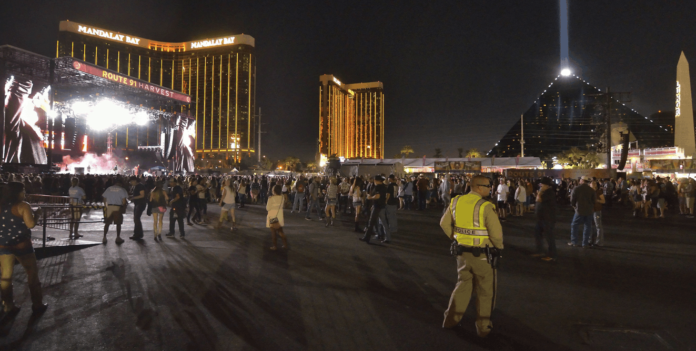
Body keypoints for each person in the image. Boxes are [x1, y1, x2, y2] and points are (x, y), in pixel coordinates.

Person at [440, 175, 503, 337]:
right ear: (479, 187)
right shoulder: (485, 206)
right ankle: (483, 327)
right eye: (489, 186)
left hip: (462, 254)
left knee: (462, 286)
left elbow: (444, 223)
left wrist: (456, 237)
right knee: (485, 291)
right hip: (483, 255)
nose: (490, 188)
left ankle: (450, 320)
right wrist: (499, 248)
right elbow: (496, 235)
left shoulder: (456, 201)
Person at [0, 182, 49, 316]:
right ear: (17, 192)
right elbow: (31, 224)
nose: (25, 194)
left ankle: (8, 306)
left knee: (6, 276)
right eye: (23, 191)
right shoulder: (23, 206)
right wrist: (37, 214)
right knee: (32, 273)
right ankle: (37, 304)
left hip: (3, 244)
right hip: (22, 245)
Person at [359, 175, 388, 244]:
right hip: (382, 206)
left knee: (371, 222)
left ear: (376, 180)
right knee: (383, 223)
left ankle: (367, 237)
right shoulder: (384, 187)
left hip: (377, 206)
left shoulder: (378, 187)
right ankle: (386, 237)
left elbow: (377, 196)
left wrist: (370, 198)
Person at [569, 176, 596, 248]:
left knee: (574, 225)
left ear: (582, 180)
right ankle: (585, 243)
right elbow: (594, 201)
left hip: (579, 210)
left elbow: (572, 200)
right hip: (589, 210)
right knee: (587, 226)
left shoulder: (576, 189)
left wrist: (574, 206)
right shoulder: (591, 190)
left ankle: (574, 241)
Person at [534, 177, 557, 261]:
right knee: (538, 234)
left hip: (547, 218)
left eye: (542, 184)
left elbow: (539, 199)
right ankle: (540, 251)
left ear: (546, 185)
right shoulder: (545, 192)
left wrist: (539, 193)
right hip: (541, 218)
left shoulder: (549, 192)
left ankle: (552, 255)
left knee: (549, 237)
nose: (540, 186)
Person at [102, 178, 128, 245]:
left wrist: (106, 207)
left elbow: (104, 198)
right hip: (117, 207)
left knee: (107, 223)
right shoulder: (122, 190)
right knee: (118, 223)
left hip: (109, 207)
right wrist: (123, 208)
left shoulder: (108, 189)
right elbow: (124, 201)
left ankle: (104, 237)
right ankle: (118, 237)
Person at [266, 185, 287, 251]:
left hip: (272, 216)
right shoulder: (282, 197)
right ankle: (285, 244)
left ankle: (275, 246)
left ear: (274, 191)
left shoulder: (271, 198)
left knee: (273, 233)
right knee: (281, 231)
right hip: (279, 216)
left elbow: (267, 208)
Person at [382, 174, 399, 243]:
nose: (388, 179)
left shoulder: (390, 185)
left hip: (390, 202)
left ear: (390, 179)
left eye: (388, 178)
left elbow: (388, 194)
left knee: (390, 216)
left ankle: (391, 229)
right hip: (395, 201)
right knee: (393, 216)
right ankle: (394, 228)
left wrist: (386, 201)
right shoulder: (396, 185)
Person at [128, 176, 147, 240]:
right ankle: (137, 233)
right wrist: (131, 196)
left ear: (135, 181)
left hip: (140, 204)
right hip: (138, 204)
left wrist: (133, 197)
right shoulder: (137, 186)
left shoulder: (140, 186)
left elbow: (142, 195)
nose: (130, 183)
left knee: (136, 218)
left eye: (131, 181)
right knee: (136, 218)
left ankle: (138, 234)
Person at [589, 180, 605, 247]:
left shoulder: (598, 192)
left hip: (596, 210)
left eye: (594, 184)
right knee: (590, 226)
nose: (593, 185)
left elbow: (603, 201)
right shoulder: (589, 192)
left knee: (598, 226)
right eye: (592, 184)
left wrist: (597, 200)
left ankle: (599, 242)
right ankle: (590, 240)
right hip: (590, 210)